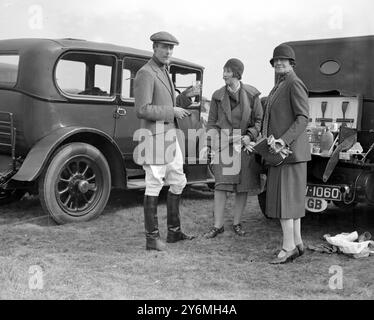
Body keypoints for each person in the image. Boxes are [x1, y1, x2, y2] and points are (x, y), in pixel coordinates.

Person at [133, 31, 195, 251]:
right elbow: (142, 109)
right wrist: (172, 110)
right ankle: (152, 239)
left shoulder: (164, 71)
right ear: (154, 48)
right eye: (164, 47)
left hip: (170, 136)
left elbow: (169, 103)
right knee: (154, 182)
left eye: (171, 48)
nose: (168, 51)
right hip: (155, 137)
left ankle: (174, 232)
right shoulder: (146, 73)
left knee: (179, 181)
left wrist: (186, 97)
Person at [262, 44, 311, 264]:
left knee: (285, 202)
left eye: (283, 60)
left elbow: (303, 118)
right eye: (276, 61)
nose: (279, 63)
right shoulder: (280, 84)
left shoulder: (294, 83)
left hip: (290, 153)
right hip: (282, 153)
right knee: (290, 202)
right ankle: (298, 243)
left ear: (291, 63)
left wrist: (283, 140)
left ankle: (288, 247)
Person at [203, 58, 263, 238]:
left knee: (242, 187)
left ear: (237, 73)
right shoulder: (216, 96)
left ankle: (237, 223)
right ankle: (218, 226)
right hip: (223, 147)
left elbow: (259, 121)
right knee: (221, 186)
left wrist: (249, 136)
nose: (224, 75)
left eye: (228, 71)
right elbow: (212, 123)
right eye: (223, 71)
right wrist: (212, 143)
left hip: (245, 147)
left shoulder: (253, 95)